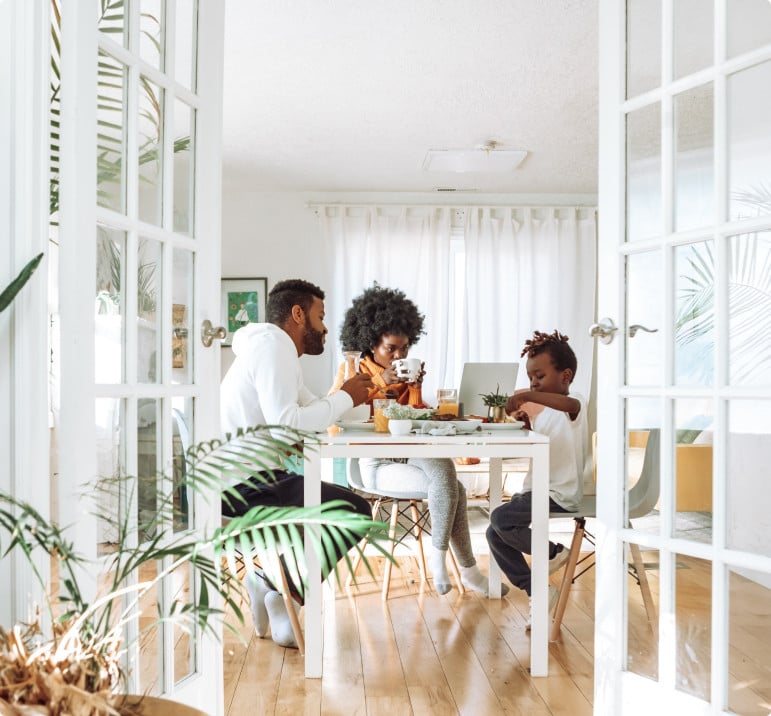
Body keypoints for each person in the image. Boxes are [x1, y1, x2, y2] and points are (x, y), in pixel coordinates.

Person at [220, 278, 374, 648]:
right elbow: (289, 424)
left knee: (343, 503)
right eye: (320, 317)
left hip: (250, 478)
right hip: (237, 489)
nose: (324, 328)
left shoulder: (272, 349)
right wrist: (345, 396)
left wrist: (343, 398)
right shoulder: (274, 348)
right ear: (298, 314)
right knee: (354, 510)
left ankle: (271, 585)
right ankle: (276, 590)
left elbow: (307, 411)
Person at [330, 284, 493, 596]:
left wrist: (416, 388)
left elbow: (411, 419)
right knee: (453, 487)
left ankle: (444, 563)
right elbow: (335, 419)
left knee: (446, 470)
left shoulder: (405, 373)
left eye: (404, 349)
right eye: (391, 348)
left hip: (408, 453)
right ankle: (461, 569)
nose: (399, 356)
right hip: (374, 463)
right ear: (370, 343)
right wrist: (378, 382)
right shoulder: (351, 370)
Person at [485, 329, 591, 627]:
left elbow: (569, 408)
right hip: (535, 490)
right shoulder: (545, 415)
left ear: (566, 376)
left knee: (501, 520)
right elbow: (540, 446)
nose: (533, 383)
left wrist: (528, 396)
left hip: (559, 493)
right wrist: (527, 423)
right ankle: (537, 589)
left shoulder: (575, 404)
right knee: (494, 533)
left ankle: (555, 553)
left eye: (540, 376)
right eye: (531, 378)